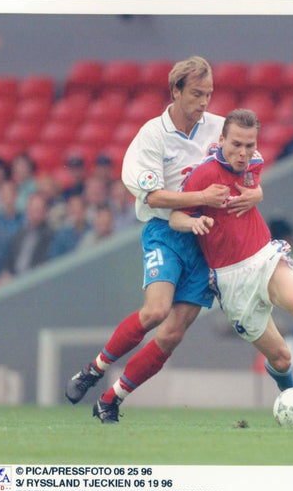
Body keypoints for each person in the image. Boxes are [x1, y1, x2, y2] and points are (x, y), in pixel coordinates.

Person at [64, 56, 262, 423]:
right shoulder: (152, 137)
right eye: (197, 94)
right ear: (175, 90)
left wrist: (257, 192)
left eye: (209, 94)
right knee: (156, 311)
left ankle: (110, 398)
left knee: (172, 334)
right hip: (167, 232)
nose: (204, 102)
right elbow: (152, 197)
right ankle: (93, 369)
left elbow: (250, 164)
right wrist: (201, 198)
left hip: (207, 242)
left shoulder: (220, 128)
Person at [169, 109, 293, 408]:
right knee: (281, 358)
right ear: (221, 140)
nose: (244, 152)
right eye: (236, 144)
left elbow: (252, 182)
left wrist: (257, 192)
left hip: (264, 256)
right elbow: (175, 217)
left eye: (250, 145)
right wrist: (193, 222)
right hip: (231, 279)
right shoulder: (203, 175)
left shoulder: (255, 162)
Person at [2, 193, 53, 278]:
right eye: (32, 210)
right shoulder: (20, 233)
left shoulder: (50, 235)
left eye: (38, 211)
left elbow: (44, 263)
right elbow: (9, 259)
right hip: (14, 280)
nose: (34, 214)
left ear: (45, 212)